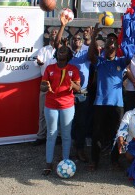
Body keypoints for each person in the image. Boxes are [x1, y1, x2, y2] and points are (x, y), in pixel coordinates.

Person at [40, 15, 81, 175]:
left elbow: (78, 88)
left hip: (67, 105)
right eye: (60, 51)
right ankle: (49, 163)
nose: (62, 52)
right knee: (51, 134)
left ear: (68, 55)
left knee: (66, 134)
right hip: (51, 105)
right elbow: (43, 87)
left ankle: (65, 160)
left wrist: (72, 84)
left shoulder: (74, 69)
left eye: (65, 51)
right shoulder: (50, 68)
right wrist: (45, 86)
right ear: (57, 54)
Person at [87, 23, 129, 171]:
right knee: (96, 133)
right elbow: (90, 55)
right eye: (108, 42)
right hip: (100, 103)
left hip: (117, 104)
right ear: (104, 47)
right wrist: (93, 37)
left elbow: (129, 56)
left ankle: (114, 160)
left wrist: (126, 35)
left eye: (113, 42)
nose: (111, 43)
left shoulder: (120, 61)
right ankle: (94, 161)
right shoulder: (100, 61)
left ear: (117, 47)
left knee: (116, 133)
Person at [32, 28, 58, 146]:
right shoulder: (43, 50)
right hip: (45, 82)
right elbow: (37, 62)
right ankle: (41, 136)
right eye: (52, 33)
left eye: (56, 33)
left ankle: (58, 136)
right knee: (42, 110)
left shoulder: (61, 50)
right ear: (49, 36)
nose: (54, 34)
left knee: (58, 110)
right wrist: (38, 62)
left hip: (58, 83)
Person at [68, 33, 91, 162]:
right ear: (71, 42)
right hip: (68, 94)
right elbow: (56, 44)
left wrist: (92, 37)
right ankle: (69, 150)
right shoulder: (67, 55)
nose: (76, 41)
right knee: (69, 123)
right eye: (74, 39)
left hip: (82, 94)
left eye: (79, 39)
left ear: (82, 42)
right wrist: (63, 26)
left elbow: (93, 50)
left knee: (81, 123)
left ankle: (80, 150)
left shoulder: (85, 54)